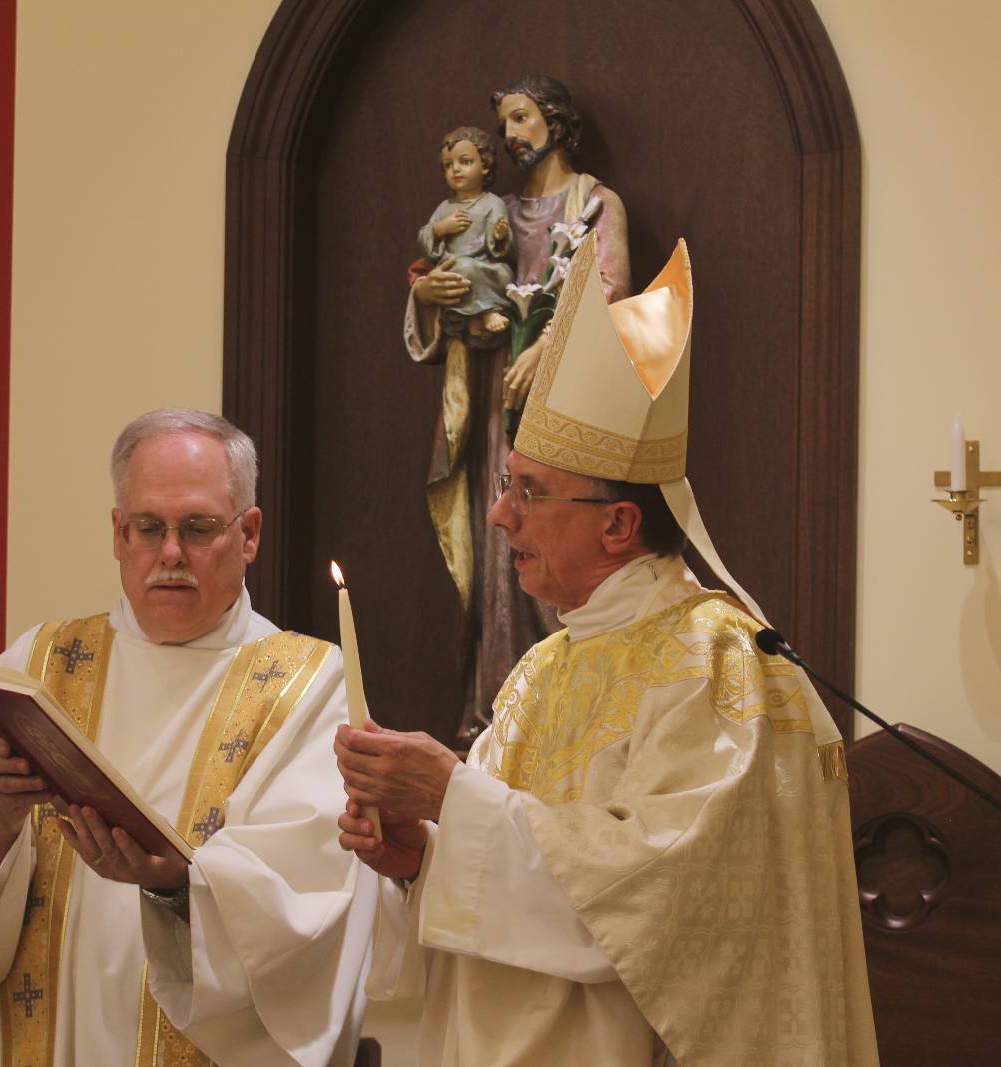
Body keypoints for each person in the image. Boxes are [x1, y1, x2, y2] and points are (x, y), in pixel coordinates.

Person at [342, 237, 878, 1065]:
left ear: (619, 524)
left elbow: (662, 899)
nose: (498, 515)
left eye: (527, 491)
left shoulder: (718, 661)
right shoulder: (540, 670)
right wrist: (420, 857)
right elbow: (511, 877)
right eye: (504, 485)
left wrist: (454, 794)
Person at [0, 409, 378, 1067]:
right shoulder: (41, 661)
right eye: (149, 527)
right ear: (120, 533)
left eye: (199, 527)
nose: (170, 553)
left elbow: (315, 897)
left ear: (250, 533)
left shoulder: (308, 684)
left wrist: (178, 884)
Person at [405, 74, 632, 745]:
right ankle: (498, 712)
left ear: (556, 122)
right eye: (504, 123)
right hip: (496, 408)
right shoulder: (489, 209)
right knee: (496, 556)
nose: (511, 135)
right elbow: (449, 281)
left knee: (561, 540)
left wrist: (551, 348)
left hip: (566, 412)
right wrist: (430, 296)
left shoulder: (595, 204)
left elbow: (615, 295)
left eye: (523, 118)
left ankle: (561, 709)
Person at [416, 125, 515, 342]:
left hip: (486, 269)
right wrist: (440, 229)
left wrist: (499, 236)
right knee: (458, 271)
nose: (456, 169)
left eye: (465, 162)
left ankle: (482, 314)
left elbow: (502, 250)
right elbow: (425, 242)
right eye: (448, 165)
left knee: (502, 273)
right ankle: (477, 317)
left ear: (485, 166)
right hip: (457, 269)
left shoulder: (493, 203)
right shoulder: (444, 208)